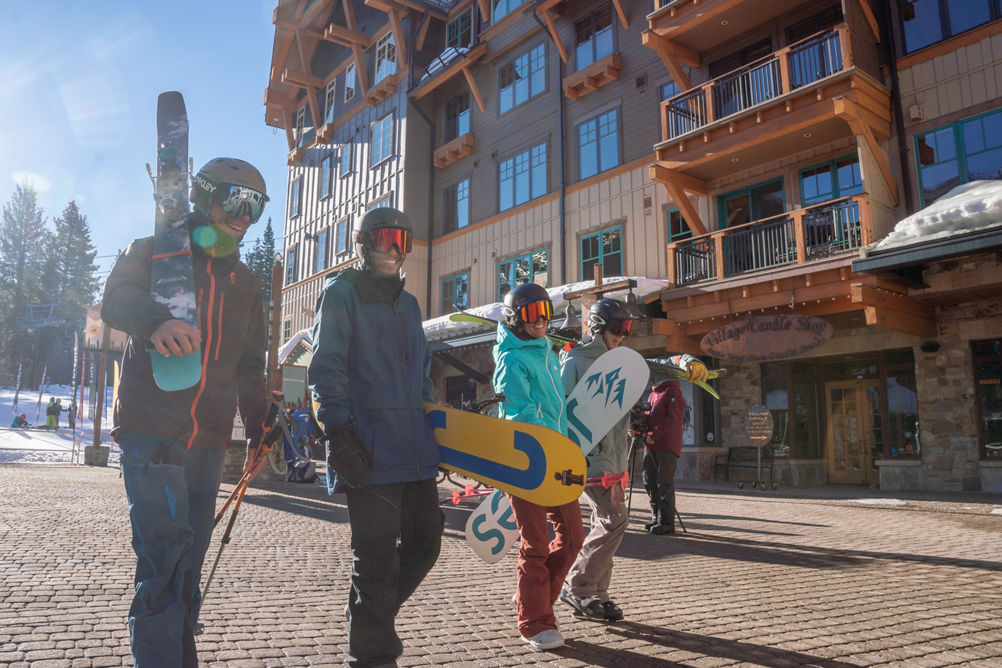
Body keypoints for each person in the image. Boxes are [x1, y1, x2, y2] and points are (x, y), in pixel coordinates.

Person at [101, 157, 270, 667]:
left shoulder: (246, 283)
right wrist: (154, 321)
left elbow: (249, 366)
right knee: (165, 557)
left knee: (188, 564)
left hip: (209, 441)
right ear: (204, 195)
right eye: (235, 199)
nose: (244, 215)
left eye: (256, 206)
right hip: (151, 431)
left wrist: (260, 431)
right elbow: (115, 299)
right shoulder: (155, 252)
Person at [309, 207, 443, 668]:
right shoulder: (341, 295)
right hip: (366, 448)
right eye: (385, 238)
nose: (393, 250)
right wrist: (338, 435)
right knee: (376, 559)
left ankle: (369, 618)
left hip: (414, 451)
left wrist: (433, 436)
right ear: (363, 242)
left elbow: (422, 374)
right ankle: (371, 654)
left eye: (402, 241)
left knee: (427, 543)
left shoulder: (409, 304)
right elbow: (326, 368)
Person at [493, 282, 585, 651]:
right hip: (527, 461)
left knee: (574, 536)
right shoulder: (511, 357)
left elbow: (557, 410)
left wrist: (567, 448)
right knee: (535, 546)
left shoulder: (547, 351)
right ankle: (534, 621)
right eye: (532, 314)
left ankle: (537, 598)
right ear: (515, 318)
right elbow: (518, 410)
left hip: (558, 458)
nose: (541, 321)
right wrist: (543, 447)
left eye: (546, 312)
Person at [557, 298, 635, 622]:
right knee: (614, 521)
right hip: (590, 460)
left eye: (627, 329)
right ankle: (577, 587)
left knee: (604, 523)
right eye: (617, 328)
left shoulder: (617, 362)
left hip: (615, 459)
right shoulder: (575, 360)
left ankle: (596, 596)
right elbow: (562, 410)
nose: (622, 334)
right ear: (600, 327)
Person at [640, 367, 695, 535]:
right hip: (650, 444)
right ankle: (656, 518)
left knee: (664, 483)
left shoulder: (673, 392)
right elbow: (648, 416)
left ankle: (666, 522)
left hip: (666, 445)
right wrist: (639, 428)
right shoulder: (652, 393)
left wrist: (653, 434)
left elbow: (673, 419)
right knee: (649, 481)